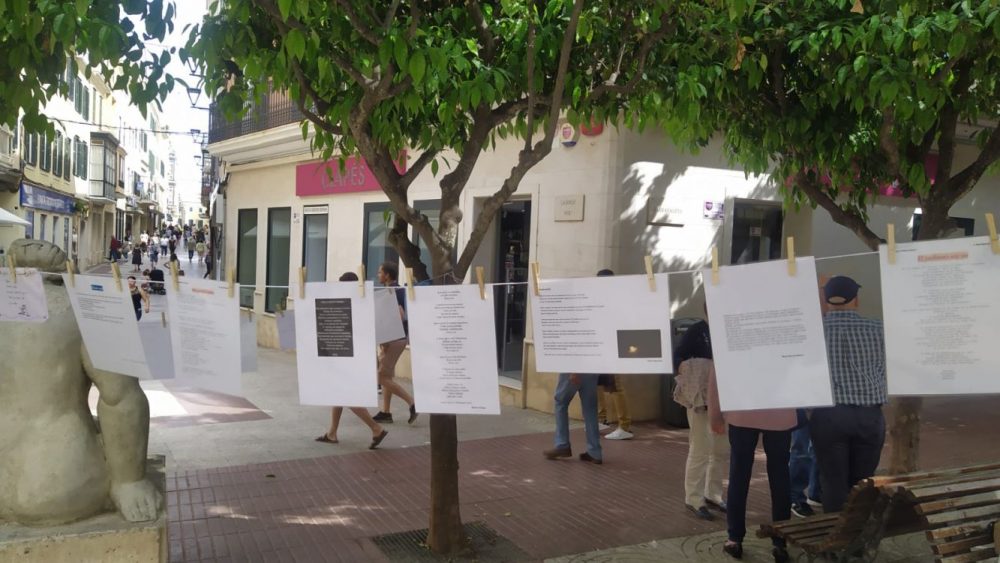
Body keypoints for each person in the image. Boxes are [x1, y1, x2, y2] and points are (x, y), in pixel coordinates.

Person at [810, 276, 887, 513]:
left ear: (826, 300)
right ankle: (856, 540)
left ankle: (835, 540)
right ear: (856, 299)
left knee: (833, 483)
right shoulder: (878, 329)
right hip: (869, 415)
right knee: (863, 484)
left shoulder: (813, 332)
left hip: (829, 415)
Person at [709, 366, 794, 563]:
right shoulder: (785, 333)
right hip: (780, 411)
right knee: (780, 476)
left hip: (742, 410)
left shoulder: (732, 333)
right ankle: (780, 542)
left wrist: (715, 412)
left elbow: (718, 369)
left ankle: (734, 538)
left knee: (739, 475)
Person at [314, 271, 391, 449]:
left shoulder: (350, 304)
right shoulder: (360, 303)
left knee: (345, 395)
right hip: (355, 355)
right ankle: (332, 433)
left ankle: (376, 428)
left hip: (350, 356)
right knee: (338, 393)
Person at [674, 308, 728, 521]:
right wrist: (692, 371)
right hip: (701, 400)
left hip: (726, 399)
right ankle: (694, 498)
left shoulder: (729, 326)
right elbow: (676, 357)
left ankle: (713, 493)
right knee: (701, 448)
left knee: (721, 449)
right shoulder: (697, 330)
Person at [370, 262, 418, 424]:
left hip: (394, 339)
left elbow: (399, 314)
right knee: (387, 375)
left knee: (381, 376)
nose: (378, 275)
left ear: (387, 275)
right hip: (396, 339)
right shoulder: (398, 289)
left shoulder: (391, 291)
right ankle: (386, 412)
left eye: (380, 272)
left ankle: (412, 403)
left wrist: (386, 337)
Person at [593, 268, 635, 441]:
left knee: (615, 386)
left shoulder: (616, 300)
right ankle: (601, 419)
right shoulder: (603, 298)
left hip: (614, 347)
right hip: (601, 345)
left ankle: (624, 425)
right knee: (597, 382)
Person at [544, 372, 603, 465]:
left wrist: (573, 372)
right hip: (591, 371)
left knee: (560, 403)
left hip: (573, 370)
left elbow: (575, 357)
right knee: (590, 409)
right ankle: (595, 451)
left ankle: (562, 444)